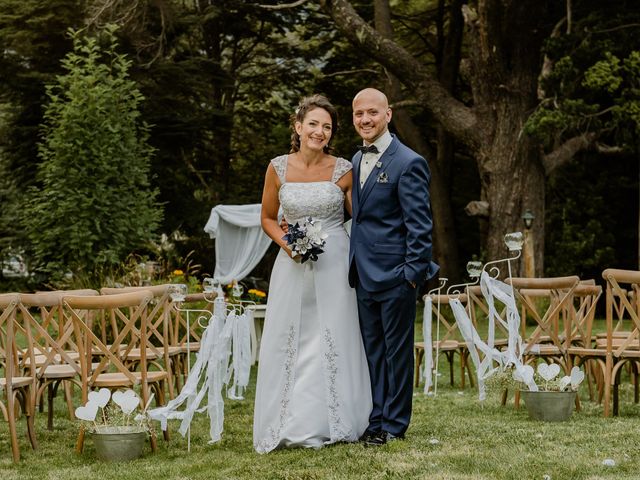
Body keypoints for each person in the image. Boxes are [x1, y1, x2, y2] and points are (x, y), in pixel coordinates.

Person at [253, 94, 372, 453]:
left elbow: (363, 218)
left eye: (327, 127)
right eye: (313, 124)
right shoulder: (277, 168)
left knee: (332, 335)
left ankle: (334, 417)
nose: (319, 132)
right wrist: (288, 244)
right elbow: (268, 218)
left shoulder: (343, 169)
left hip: (334, 263)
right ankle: (289, 420)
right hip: (291, 267)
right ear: (298, 126)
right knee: (292, 336)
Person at [348, 88, 438, 445]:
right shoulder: (355, 161)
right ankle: (376, 421)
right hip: (363, 274)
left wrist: (411, 276)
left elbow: (420, 225)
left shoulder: (408, 161)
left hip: (397, 276)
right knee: (373, 352)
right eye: (358, 114)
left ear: (388, 114)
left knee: (397, 353)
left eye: (372, 112)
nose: (365, 120)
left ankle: (394, 426)